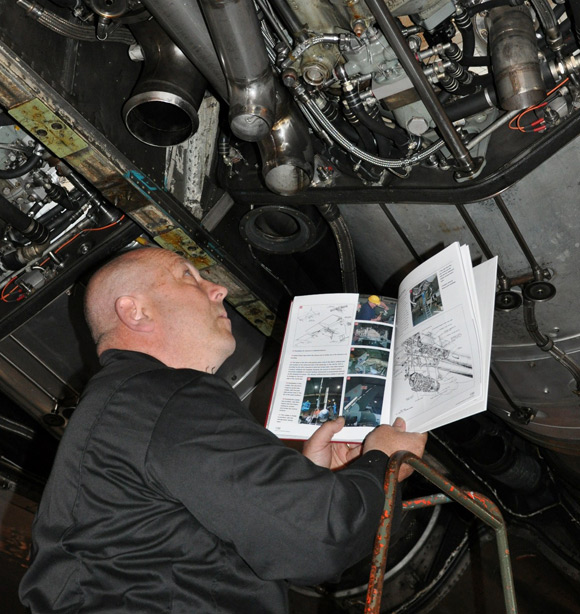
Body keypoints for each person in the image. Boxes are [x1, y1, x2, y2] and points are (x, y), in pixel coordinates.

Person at [19, 247, 427, 614]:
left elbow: (280, 547)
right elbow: (320, 539)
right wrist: (381, 462)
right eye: (187, 277)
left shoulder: (131, 406)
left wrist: (318, 481)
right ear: (135, 311)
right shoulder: (164, 396)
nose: (217, 289)